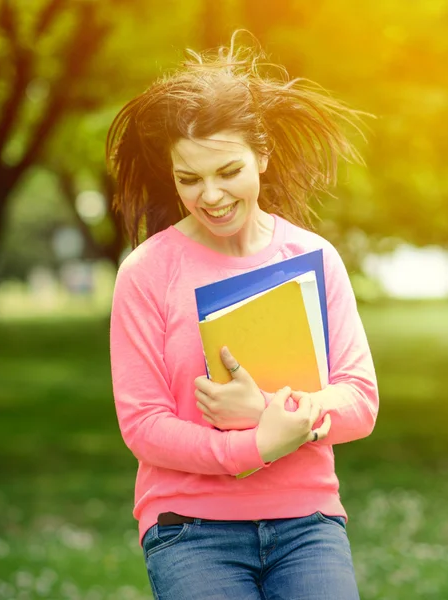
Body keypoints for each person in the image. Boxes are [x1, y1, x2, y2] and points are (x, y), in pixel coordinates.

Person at [107, 30, 378, 600]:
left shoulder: (313, 258)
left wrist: (268, 410)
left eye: (227, 171)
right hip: (191, 531)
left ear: (262, 156)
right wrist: (254, 446)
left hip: (307, 523)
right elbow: (144, 426)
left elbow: (359, 400)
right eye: (189, 179)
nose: (210, 195)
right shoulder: (146, 273)